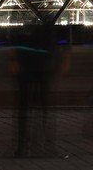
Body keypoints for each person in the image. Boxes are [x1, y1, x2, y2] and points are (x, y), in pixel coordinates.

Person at [10, 21, 66, 158]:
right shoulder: (44, 11)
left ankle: (26, 148)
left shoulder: (27, 9)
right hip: (37, 64)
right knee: (40, 108)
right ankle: (40, 147)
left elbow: (13, 33)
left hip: (34, 63)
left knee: (31, 108)